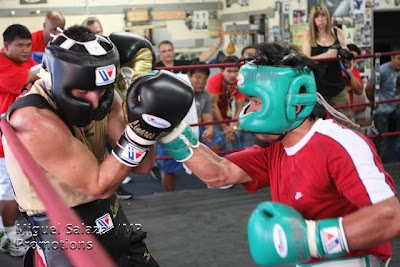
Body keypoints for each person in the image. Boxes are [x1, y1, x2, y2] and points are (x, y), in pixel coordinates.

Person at [158, 42, 400, 267]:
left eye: (256, 101)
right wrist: (170, 131)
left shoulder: (340, 144)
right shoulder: (276, 147)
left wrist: (311, 239)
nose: (248, 111)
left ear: (291, 101)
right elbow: (219, 173)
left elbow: (390, 217)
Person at [2, 26, 194, 266]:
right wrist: (138, 135)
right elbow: (98, 185)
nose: (94, 101)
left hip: (111, 214)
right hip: (65, 232)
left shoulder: (105, 97)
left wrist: (144, 118)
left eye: (101, 89)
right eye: (82, 91)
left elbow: (143, 167)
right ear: (54, 79)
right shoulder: (33, 120)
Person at [82, 16, 134, 199]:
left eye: (99, 32)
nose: (98, 36)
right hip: (86, 117)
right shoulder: (79, 63)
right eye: (93, 33)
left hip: (110, 108)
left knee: (117, 147)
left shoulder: (110, 55)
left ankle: (115, 187)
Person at [0, 24, 39, 257]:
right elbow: (34, 76)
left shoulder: (24, 60)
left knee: (14, 188)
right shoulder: (2, 63)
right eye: (20, 46)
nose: (26, 50)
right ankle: (9, 236)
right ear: (6, 46)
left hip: (17, 138)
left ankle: (7, 232)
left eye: (28, 45)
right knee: (8, 191)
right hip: (3, 142)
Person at [156, 62, 223, 191]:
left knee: (215, 141)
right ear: (188, 76)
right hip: (172, 128)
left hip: (195, 128)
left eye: (204, 79)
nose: (201, 82)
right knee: (168, 164)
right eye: (198, 77)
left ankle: (214, 179)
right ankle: (169, 195)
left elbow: (207, 116)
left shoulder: (205, 95)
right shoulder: (176, 91)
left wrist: (210, 129)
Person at [302, 4, 353, 121]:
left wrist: (345, 52)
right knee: (318, 123)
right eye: (317, 16)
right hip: (317, 88)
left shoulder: (337, 32)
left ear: (327, 17)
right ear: (313, 19)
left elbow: (345, 50)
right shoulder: (309, 35)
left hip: (337, 85)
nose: (320, 19)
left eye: (323, 16)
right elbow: (305, 60)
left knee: (346, 121)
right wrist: (326, 56)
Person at [365, 45, 400, 162]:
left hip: (396, 106)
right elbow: (369, 89)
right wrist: (375, 102)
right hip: (382, 107)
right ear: (392, 57)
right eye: (399, 58)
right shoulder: (382, 70)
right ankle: (379, 162)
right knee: (381, 138)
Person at [207, 56, 245, 150]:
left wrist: (234, 127)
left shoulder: (239, 81)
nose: (232, 75)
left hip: (227, 116)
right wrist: (225, 128)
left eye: (235, 71)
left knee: (234, 136)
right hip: (211, 117)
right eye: (229, 71)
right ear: (222, 71)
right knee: (222, 140)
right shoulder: (215, 80)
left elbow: (240, 106)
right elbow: (213, 105)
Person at [156, 38, 223, 73]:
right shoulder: (155, 68)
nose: (167, 53)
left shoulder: (182, 64)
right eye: (164, 51)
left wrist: (216, 45)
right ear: (159, 53)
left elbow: (201, 59)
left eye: (170, 50)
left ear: (173, 51)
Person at [344, 43, 365, 122]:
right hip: (334, 111)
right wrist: (349, 88)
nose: (351, 60)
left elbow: (359, 91)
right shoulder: (335, 69)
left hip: (348, 112)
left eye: (354, 58)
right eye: (350, 56)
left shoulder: (354, 71)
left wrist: (350, 74)